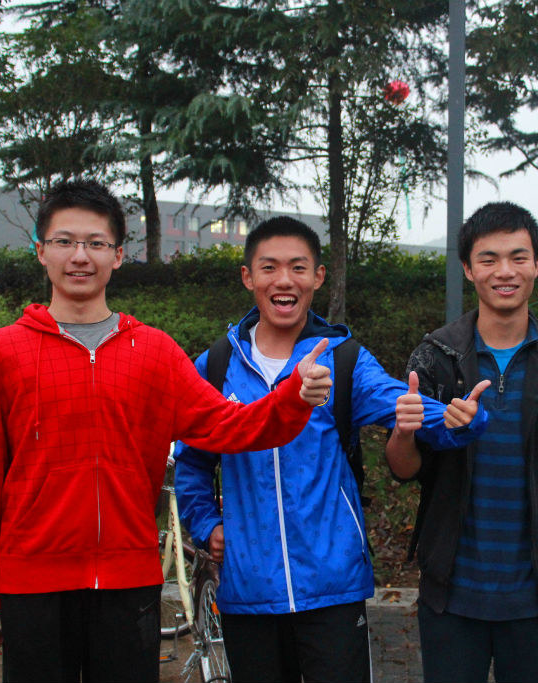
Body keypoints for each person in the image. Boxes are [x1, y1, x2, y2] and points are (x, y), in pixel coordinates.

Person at [0, 181, 332, 683]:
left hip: (128, 584)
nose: (80, 256)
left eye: (96, 243)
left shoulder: (152, 352)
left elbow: (228, 426)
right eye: (65, 241)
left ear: (117, 256)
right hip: (31, 585)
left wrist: (292, 396)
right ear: (41, 251)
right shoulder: (2, 353)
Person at [174, 216, 490, 683]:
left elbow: (401, 405)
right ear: (248, 277)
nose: (284, 280)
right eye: (269, 268)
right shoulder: (217, 365)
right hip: (248, 588)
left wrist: (457, 419)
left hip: (332, 586)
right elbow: (192, 458)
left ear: (318, 277)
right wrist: (207, 525)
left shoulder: (344, 360)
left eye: (298, 267)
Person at [385, 201, 538, 683]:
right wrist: (404, 431)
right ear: (469, 269)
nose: (504, 271)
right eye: (488, 259)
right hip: (451, 593)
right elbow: (404, 468)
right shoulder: (437, 356)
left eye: (518, 257)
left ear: (537, 265)